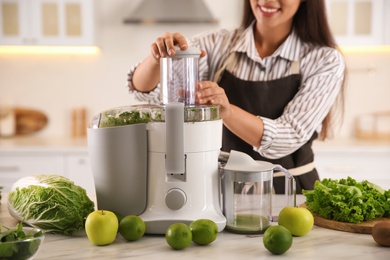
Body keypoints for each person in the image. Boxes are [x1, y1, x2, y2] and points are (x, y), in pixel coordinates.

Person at [127, 0, 346, 194]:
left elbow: (288, 136)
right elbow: (144, 91)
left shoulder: (324, 59)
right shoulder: (217, 44)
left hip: (289, 193)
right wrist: (158, 58)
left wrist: (228, 111)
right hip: (223, 191)